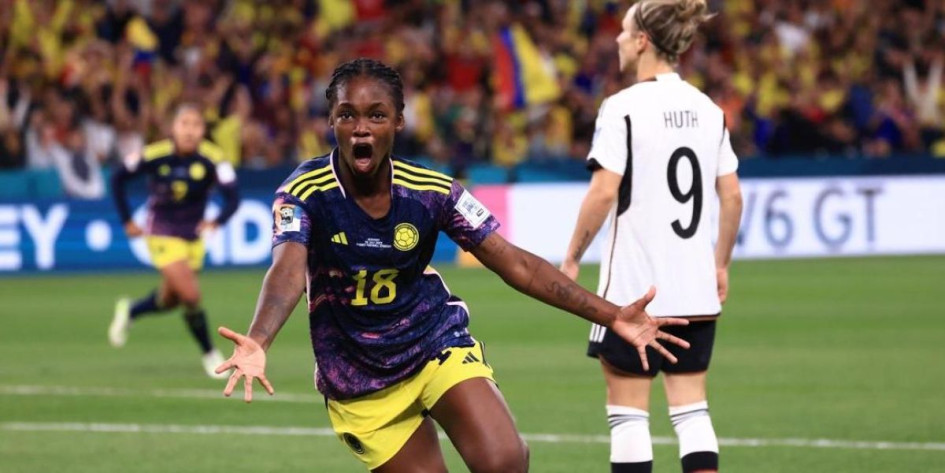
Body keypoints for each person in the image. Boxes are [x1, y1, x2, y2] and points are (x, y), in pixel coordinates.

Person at [214, 58, 691, 473]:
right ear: (331, 122)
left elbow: (515, 264)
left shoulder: (431, 191)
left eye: (376, 115)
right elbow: (287, 271)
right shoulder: (304, 193)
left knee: (505, 461)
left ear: (399, 122)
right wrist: (259, 339)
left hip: (433, 344)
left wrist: (612, 315)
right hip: (357, 378)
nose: (361, 128)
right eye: (347, 115)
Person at [560, 1, 743, 472]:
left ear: (642, 41)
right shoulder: (709, 109)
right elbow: (733, 197)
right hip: (695, 289)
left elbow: (603, 193)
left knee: (627, 416)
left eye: (624, 32)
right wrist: (720, 264)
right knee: (692, 411)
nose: (618, 40)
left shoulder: (622, 108)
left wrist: (572, 258)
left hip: (633, 294)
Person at [108, 104, 241, 379]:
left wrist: (216, 222)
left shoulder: (213, 157)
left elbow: (233, 197)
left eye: (196, 125)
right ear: (173, 128)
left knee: (170, 299)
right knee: (191, 296)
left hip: (193, 238)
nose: (190, 131)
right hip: (161, 232)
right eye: (185, 124)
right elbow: (118, 178)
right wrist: (126, 221)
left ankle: (130, 310)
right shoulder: (155, 154)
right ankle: (210, 354)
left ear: (203, 131)